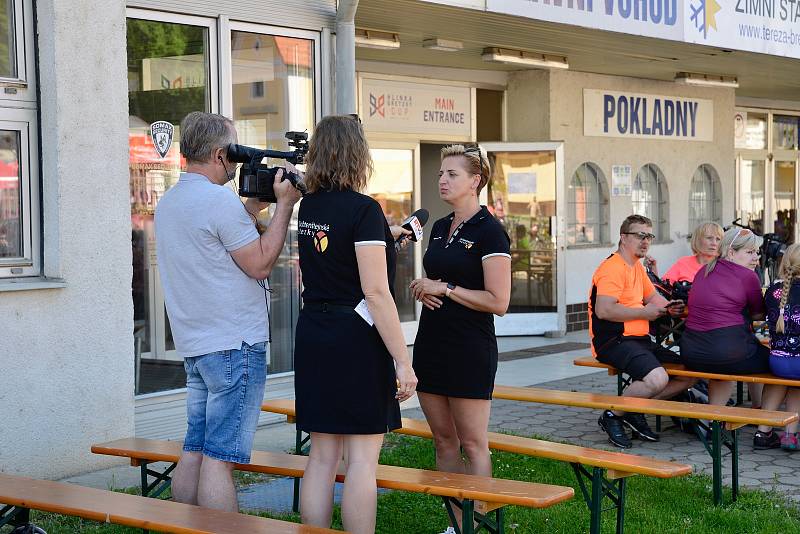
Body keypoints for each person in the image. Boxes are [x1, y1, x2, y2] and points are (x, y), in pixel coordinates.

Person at [155, 111, 302, 511]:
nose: (237, 164)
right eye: (234, 154)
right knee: (221, 459)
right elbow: (258, 264)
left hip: (197, 344)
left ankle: (184, 525)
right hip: (234, 345)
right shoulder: (219, 201)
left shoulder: (170, 202)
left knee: (195, 448)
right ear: (221, 154)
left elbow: (213, 244)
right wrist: (285, 206)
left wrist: (251, 209)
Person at [293, 115, 417, 534]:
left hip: (314, 331)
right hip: (354, 338)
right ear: (357, 154)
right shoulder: (364, 209)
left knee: (322, 456)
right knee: (362, 458)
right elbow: (376, 293)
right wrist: (403, 360)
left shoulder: (309, 206)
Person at [409, 144, 511, 534]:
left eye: (452, 174)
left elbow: (498, 301)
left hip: (470, 349)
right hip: (432, 344)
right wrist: (425, 289)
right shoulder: (438, 226)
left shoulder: (490, 232)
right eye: (441, 173)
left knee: (472, 444)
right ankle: (457, 526)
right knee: (443, 443)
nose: (443, 180)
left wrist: (446, 288)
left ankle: (478, 522)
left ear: (476, 181)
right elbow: (437, 281)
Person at [589, 214, 693, 449]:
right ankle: (613, 414)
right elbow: (604, 310)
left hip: (639, 340)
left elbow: (653, 298)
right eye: (640, 236)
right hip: (613, 340)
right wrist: (645, 313)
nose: (646, 241)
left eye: (649, 236)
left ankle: (633, 407)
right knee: (658, 378)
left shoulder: (636, 266)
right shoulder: (612, 268)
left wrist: (670, 308)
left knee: (690, 373)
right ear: (624, 238)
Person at [680, 227, 768, 408]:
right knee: (775, 358)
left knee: (731, 360)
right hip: (727, 353)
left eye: (757, 252)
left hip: (691, 353)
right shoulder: (747, 276)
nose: (755, 258)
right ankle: (761, 414)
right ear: (731, 252)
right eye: (750, 252)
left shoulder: (703, 270)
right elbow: (758, 314)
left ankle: (715, 419)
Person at [754, 243, 800, 450]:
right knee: (796, 384)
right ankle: (790, 435)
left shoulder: (773, 290)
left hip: (778, 361)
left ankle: (763, 432)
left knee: (783, 380)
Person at [659, 222, 724, 283]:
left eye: (718, 239)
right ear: (697, 240)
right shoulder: (683, 263)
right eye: (709, 238)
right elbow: (663, 288)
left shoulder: (724, 266)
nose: (714, 243)